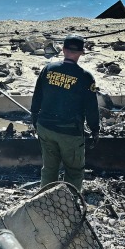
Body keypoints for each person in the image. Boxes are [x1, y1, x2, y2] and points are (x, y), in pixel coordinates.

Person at [30, 34, 100, 191]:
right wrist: (95, 129)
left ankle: (45, 200)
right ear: (81, 53)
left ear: (63, 50)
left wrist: (34, 118)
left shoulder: (48, 69)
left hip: (45, 128)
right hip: (70, 132)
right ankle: (70, 201)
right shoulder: (85, 77)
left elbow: (37, 96)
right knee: (74, 171)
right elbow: (91, 107)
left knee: (49, 169)